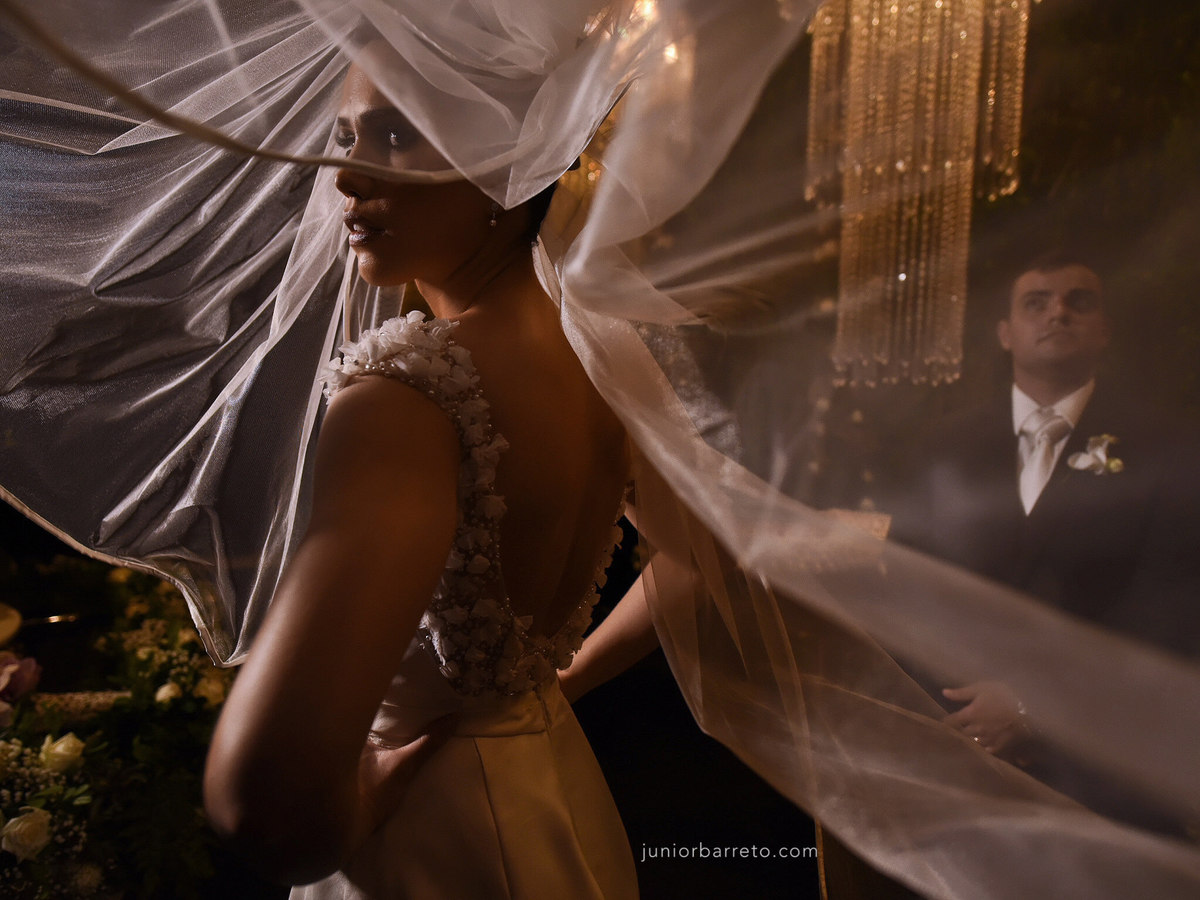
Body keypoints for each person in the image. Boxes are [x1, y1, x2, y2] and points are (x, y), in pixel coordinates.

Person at [202, 65, 640, 897]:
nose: (345, 177)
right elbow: (702, 570)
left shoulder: (404, 398)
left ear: (513, 161)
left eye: (397, 135)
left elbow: (257, 804)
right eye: (344, 138)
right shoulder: (607, 360)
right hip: (553, 799)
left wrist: (355, 812)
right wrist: (539, 695)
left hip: (425, 841)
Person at [892, 252, 1200, 826]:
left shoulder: (1168, 447)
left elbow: (1170, 616)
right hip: (958, 752)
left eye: (1078, 301)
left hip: (1103, 771)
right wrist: (955, 712)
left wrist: (1035, 707)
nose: (1058, 312)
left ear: (1104, 330)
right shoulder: (943, 445)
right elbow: (910, 592)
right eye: (1036, 302)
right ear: (1005, 333)